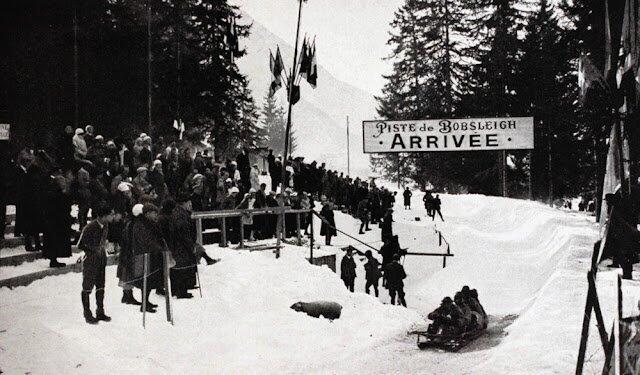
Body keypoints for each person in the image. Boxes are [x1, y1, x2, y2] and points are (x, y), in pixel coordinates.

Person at [78, 204, 115, 324]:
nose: (113, 216)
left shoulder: (106, 225)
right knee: (87, 287)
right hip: (91, 261)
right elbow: (80, 244)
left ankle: (100, 311)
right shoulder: (90, 227)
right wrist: (94, 250)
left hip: (101, 260)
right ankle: (87, 313)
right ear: (103, 216)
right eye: (111, 214)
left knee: (100, 286)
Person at [42, 166, 72, 268]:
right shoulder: (58, 195)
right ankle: (53, 259)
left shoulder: (52, 193)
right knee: (54, 240)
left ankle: (53, 259)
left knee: (53, 240)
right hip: (56, 222)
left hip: (53, 221)